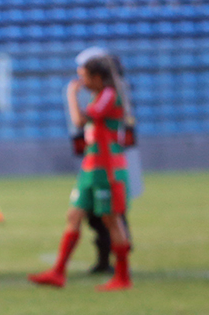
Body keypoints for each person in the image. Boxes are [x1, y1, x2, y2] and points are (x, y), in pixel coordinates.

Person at [28, 56, 132, 291]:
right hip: (91, 166)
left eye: (83, 75)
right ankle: (58, 272)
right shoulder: (100, 95)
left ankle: (123, 277)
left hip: (106, 168)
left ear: (97, 77)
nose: (80, 80)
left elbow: (78, 120)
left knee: (111, 220)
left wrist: (71, 96)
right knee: (74, 216)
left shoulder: (108, 95)